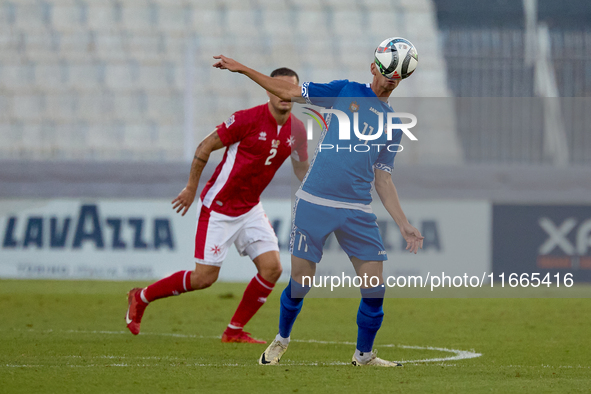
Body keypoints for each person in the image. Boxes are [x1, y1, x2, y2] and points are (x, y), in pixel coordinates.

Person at [212, 41, 424, 366]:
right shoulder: (344, 91)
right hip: (315, 201)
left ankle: (364, 355)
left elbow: (383, 178)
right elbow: (290, 91)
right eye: (385, 73)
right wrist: (242, 69)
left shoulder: (394, 123)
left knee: (375, 290)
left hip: (357, 210)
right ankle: (282, 339)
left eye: (396, 76)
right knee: (300, 284)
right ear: (373, 68)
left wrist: (404, 223)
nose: (390, 79)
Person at [125, 68, 309, 344]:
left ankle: (233, 331)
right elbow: (205, 146)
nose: (285, 95)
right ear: (268, 90)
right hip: (219, 207)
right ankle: (141, 297)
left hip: (250, 209)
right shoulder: (246, 119)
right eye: (278, 88)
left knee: (272, 268)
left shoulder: (297, 129)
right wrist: (191, 188)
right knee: (204, 278)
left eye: (291, 90)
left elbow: (301, 168)